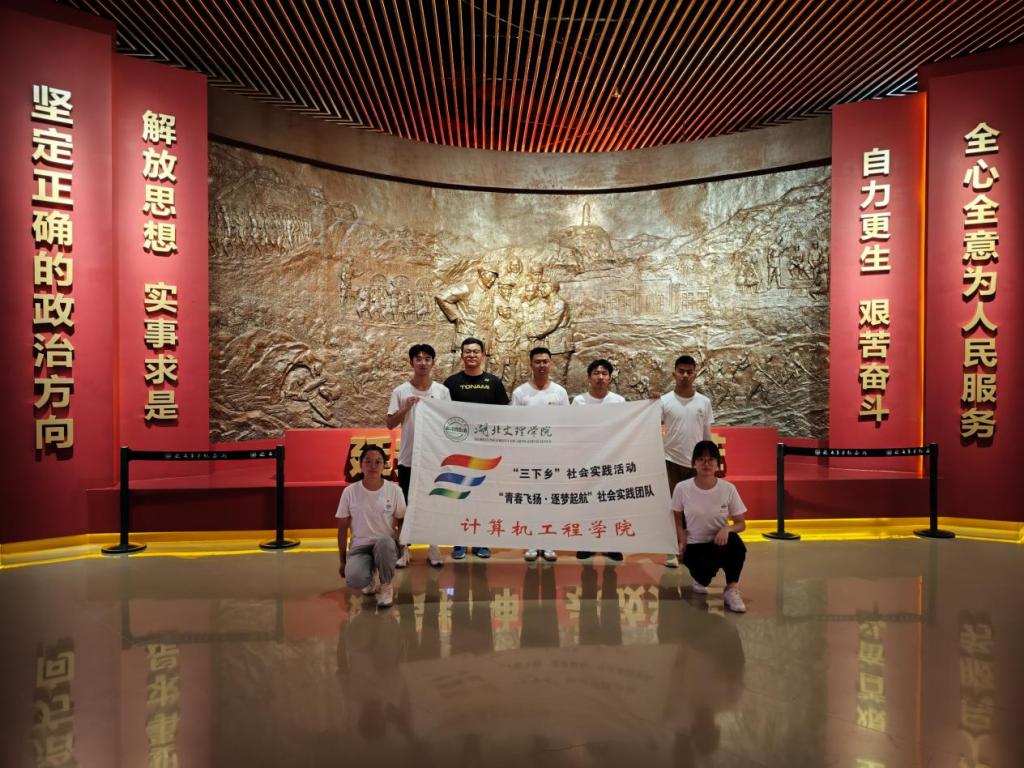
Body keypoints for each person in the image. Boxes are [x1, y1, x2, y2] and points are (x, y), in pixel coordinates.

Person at [443, 337, 510, 559]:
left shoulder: (494, 382)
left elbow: (504, 415)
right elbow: (443, 415)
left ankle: (482, 541)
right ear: (462, 355)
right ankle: (459, 542)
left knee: (483, 496)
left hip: (487, 450)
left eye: (476, 351)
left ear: (483, 355)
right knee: (459, 495)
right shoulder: (451, 383)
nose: (472, 355)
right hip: (459, 449)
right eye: (468, 352)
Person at [387, 343, 451, 567]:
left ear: (433, 362)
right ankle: (404, 547)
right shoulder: (401, 391)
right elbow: (390, 423)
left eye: (427, 359)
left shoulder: (442, 392)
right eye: (418, 359)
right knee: (406, 503)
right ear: (411, 362)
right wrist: (405, 408)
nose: (423, 363)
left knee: (432, 502)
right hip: (408, 458)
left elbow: (449, 422)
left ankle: (433, 546)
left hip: (434, 458)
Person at [672, 440, 747, 612]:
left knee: (735, 544)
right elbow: (676, 517)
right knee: (703, 577)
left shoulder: (728, 489)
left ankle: (731, 589)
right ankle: (700, 578)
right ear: (694, 463)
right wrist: (681, 539)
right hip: (695, 546)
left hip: (719, 543)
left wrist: (727, 529)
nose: (706, 464)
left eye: (711, 459)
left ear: (717, 463)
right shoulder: (682, 488)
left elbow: (741, 523)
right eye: (701, 459)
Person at [511, 347, 570, 562]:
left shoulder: (559, 392)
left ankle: (548, 540)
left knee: (549, 499)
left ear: (551, 364)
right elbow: (514, 425)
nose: (542, 365)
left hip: (553, 455)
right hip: (528, 456)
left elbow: (567, 423)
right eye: (537, 362)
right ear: (531, 364)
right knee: (530, 499)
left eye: (545, 361)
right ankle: (532, 541)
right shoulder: (520, 393)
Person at [661, 354, 714, 567]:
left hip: (696, 463)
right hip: (670, 460)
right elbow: (648, 425)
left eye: (689, 372)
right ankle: (671, 549)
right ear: (674, 374)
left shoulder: (704, 402)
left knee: (693, 508)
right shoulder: (664, 401)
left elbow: (707, 434)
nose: (684, 375)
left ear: (695, 374)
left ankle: (691, 547)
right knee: (672, 507)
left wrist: (710, 460)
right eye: (681, 371)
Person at [336, 445, 406, 608]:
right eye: (368, 461)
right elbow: (342, 528)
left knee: (384, 543)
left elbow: (402, 520)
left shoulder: (395, 491)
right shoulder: (349, 492)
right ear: (361, 465)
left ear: (384, 466)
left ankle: (386, 586)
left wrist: (401, 543)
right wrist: (342, 561)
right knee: (355, 579)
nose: (373, 466)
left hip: (386, 545)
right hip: (360, 546)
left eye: (378, 462)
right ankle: (369, 577)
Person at [573, 358, 625, 562]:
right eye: (596, 373)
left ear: (610, 378)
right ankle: (587, 543)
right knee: (587, 502)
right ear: (589, 377)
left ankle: (611, 544)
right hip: (586, 461)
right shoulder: (579, 402)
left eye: (604, 373)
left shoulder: (618, 401)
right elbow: (572, 430)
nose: (600, 377)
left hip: (611, 460)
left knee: (610, 502)